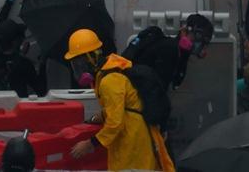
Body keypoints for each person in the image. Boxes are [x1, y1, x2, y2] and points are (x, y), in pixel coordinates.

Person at [65, 29, 175, 171]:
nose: (79, 68)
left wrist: (90, 144)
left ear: (92, 57)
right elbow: (118, 108)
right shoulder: (107, 73)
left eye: (80, 62)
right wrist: (99, 117)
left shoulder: (109, 81)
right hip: (133, 135)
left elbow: (115, 123)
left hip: (133, 139)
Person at [122, 14, 213, 92]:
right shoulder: (169, 49)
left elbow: (175, 83)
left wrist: (185, 53)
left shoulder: (175, 50)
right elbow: (159, 90)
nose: (200, 44)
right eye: (198, 36)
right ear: (184, 31)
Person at [0, 18, 45, 96]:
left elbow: (9, 61)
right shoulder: (24, 65)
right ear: (16, 41)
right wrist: (43, 62)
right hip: (16, 107)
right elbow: (41, 90)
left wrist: (20, 55)